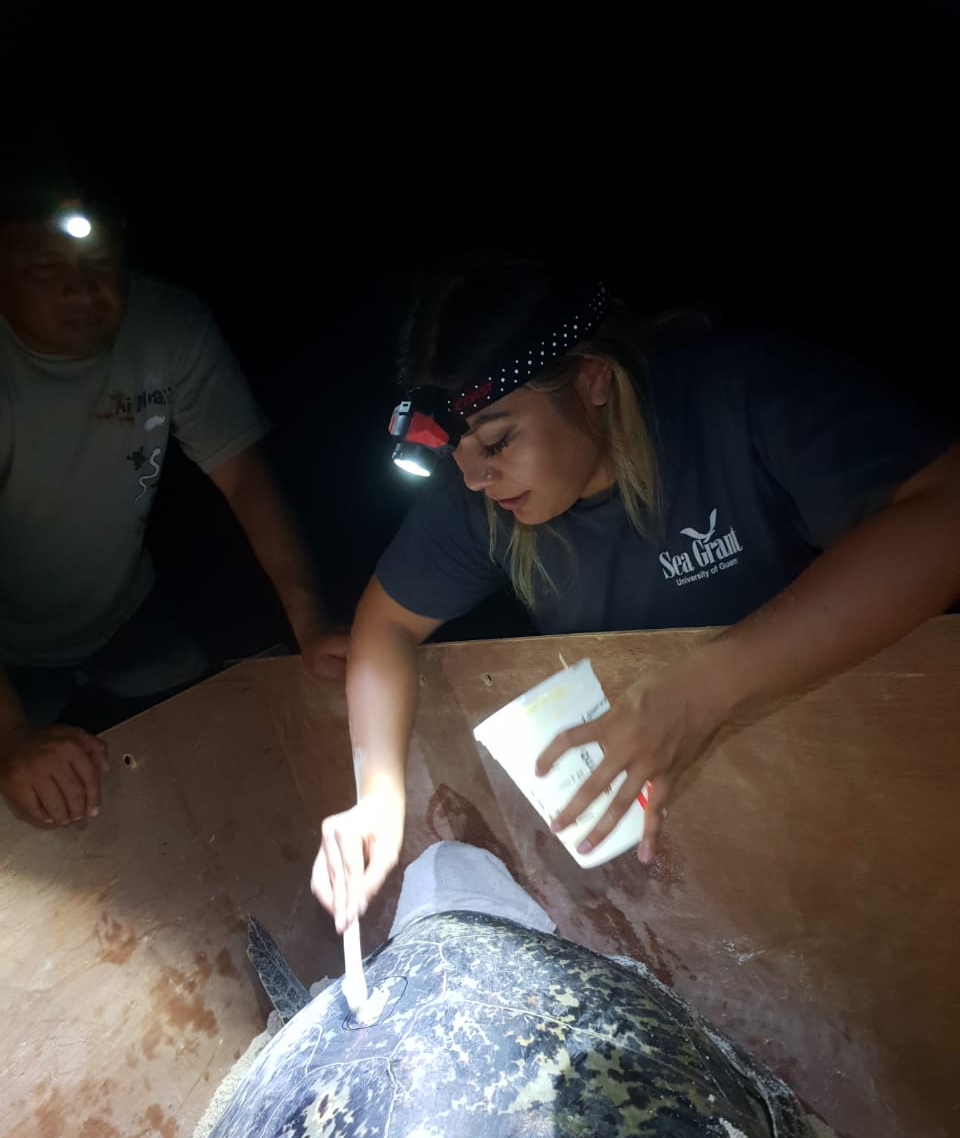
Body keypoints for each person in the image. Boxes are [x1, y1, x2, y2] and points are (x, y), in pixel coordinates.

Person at [311, 259, 959, 934]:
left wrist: (706, 686)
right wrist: (377, 796)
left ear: (593, 378)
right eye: (456, 456)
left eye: (499, 441)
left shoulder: (734, 393)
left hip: (866, 773)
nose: (475, 478)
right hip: (691, 839)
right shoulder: (482, 500)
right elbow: (382, 627)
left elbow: (945, 514)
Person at [0, 176, 347, 831]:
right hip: (9, 647)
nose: (82, 289)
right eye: (46, 267)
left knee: (219, 745)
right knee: (34, 816)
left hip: (125, 609)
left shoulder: (167, 325)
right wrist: (10, 734)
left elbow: (245, 478)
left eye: (99, 263)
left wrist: (311, 623)